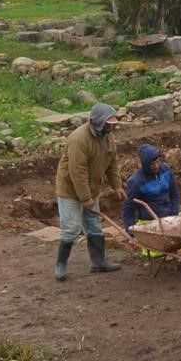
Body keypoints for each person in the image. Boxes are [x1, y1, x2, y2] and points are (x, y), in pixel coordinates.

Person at [53, 102, 125, 281]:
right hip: (70, 189)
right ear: (99, 122)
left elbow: (112, 164)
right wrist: (85, 198)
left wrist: (117, 186)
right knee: (71, 228)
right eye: (109, 123)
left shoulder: (107, 137)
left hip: (92, 187)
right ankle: (61, 265)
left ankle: (98, 262)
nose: (112, 127)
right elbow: (77, 172)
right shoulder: (79, 140)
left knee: (94, 225)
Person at [122, 143, 180, 232]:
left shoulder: (166, 169)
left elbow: (174, 194)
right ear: (145, 164)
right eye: (152, 164)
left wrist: (174, 214)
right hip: (149, 222)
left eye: (157, 162)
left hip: (169, 217)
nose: (156, 166)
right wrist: (132, 233)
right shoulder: (136, 181)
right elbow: (128, 210)